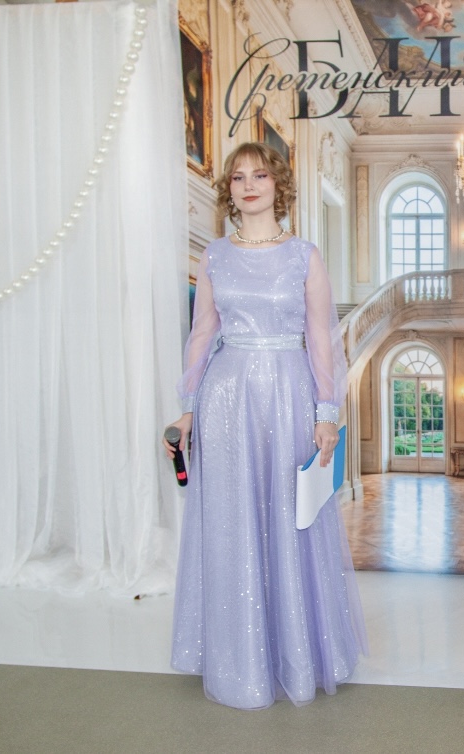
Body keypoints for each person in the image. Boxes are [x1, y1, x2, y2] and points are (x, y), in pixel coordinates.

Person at [164, 142, 366, 709]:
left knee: (291, 518)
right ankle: (237, 655)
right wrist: (188, 405)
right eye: (237, 178)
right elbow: (202, 335)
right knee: (233, 520)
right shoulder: (214, 257)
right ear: (228, 191)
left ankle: (298, 651)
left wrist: (326, 413)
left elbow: (322, 339)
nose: (248, 185)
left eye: (259, 175)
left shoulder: (304, 255)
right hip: (226, 397)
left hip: (288, 393)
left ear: (278, 184)